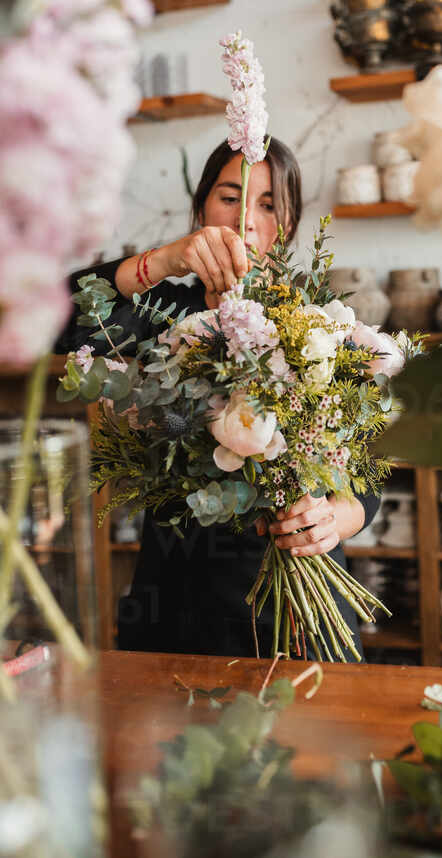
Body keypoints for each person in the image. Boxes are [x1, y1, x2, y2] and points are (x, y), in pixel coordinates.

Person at [56, 137, 380, 658]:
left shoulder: (320, 321)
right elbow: (54, 319)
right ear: (203, 205)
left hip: (296, 604)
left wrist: (330, 521)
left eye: (268, 204)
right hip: (180, 595)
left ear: (291, 223)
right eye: (230, 197)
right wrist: (161, 261)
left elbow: (368, 474)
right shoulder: (159, 312)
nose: (244, 220)